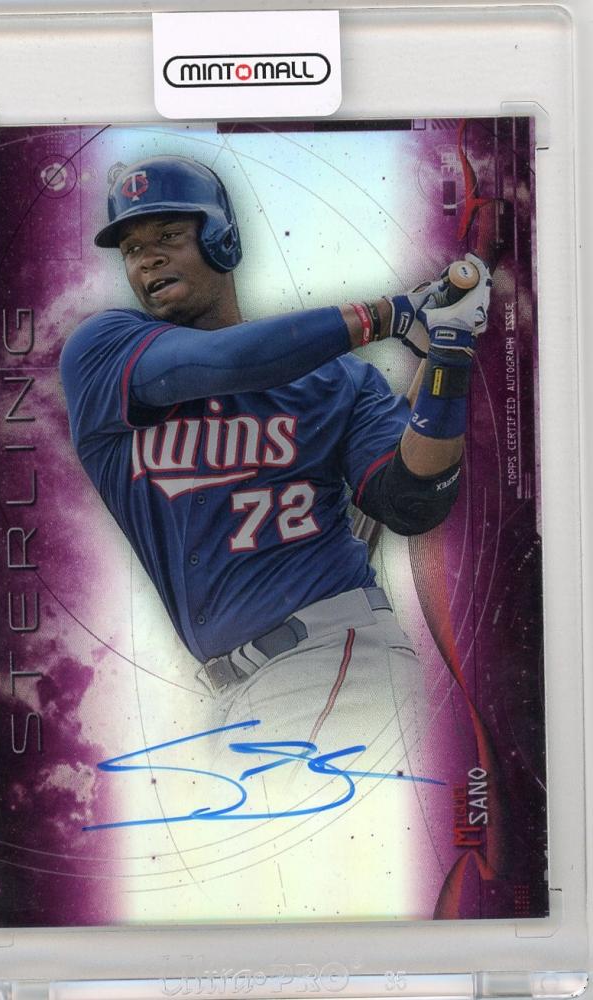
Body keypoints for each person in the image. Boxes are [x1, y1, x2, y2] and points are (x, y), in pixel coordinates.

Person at [60, 154, 491, 763]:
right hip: (234, 694)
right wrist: (385, 315)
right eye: (132, 249)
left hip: (330, 658)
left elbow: (412, 499)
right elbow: (218, 362)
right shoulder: (101, 352)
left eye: (168, 236)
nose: (147, 258)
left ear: (221, 240)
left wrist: (448, 356)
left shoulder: (338, 381)